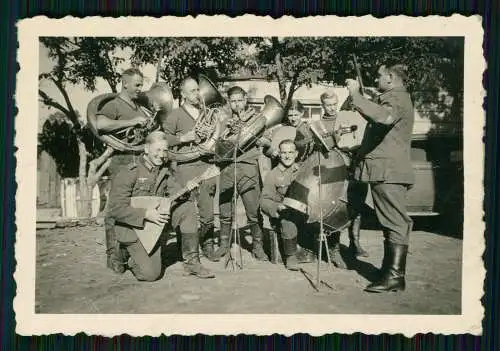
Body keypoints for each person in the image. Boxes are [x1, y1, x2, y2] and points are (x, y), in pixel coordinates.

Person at [107, 131, 215, 281]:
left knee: (187, 208)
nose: (161, 154)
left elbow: (175, 192)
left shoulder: (164, 170)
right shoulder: (130, 172)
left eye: (164, 150)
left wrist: (188, 188)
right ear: (146, 149)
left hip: (153, 225)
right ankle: (124, 252)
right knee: (151, 275)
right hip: (131, 227)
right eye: (157, 150)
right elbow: (115, 208)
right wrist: (145, 214)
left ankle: (192, 263)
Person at [345, 63, 415, 293]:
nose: (376, 79)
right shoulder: (396, 97)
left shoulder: (395, 98)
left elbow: (384, 118)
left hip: (388, 172)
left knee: (395, 222)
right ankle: (388, 271)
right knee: (389, 221)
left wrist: (355, 94)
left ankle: (394, 277)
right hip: (387, 170)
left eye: (379, 76)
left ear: (390, 77)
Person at [95, 68, 150, 274]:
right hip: (121, 160)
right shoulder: (114, 104)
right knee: (116, 208)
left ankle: (129, 254)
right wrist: (132, 122)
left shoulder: (138, 106)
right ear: (124, 83)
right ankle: (114, 256)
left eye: (141, 84)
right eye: (137, 85)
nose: (140, 89)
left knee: (133, 206)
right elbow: (100, 124)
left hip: (137, 159)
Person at [162, 77, 219, 262]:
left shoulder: (208, 113)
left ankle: (207, 245)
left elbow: (217, 135)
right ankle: (185, 247)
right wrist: (183, 138)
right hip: (185, 167)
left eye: (198, 90)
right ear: (183, 95)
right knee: (185, 209)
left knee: (208, 210)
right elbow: (163, 140)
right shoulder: (175, 115)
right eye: (193, 91)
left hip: (206, 166)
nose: (198, 94)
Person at [213, 86, 268, 261]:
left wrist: (250, 134)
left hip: (248, 165)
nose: (237, 104)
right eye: (233, 101)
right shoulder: (224, 121)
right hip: (228, 167)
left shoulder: (256, 119)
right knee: (224, 209)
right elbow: (217, 147)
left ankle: (258, 246)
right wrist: (226, 131)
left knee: (253, 209)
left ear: (245, 100)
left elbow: (267, 140)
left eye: (240, 100)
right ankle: (223, 245)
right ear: (229, 103)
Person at [260, 139, 315, 270]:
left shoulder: (304, 169)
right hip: (283, 215)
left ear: (296, 154)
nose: (287, 156)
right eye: (284, 152)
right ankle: (290, 256)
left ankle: (332, 250)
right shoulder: (273, 175)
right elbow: (264, 200)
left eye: (290, 152)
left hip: (305, 212)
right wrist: (277, 207)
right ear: (279, 154)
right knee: (288, 218)